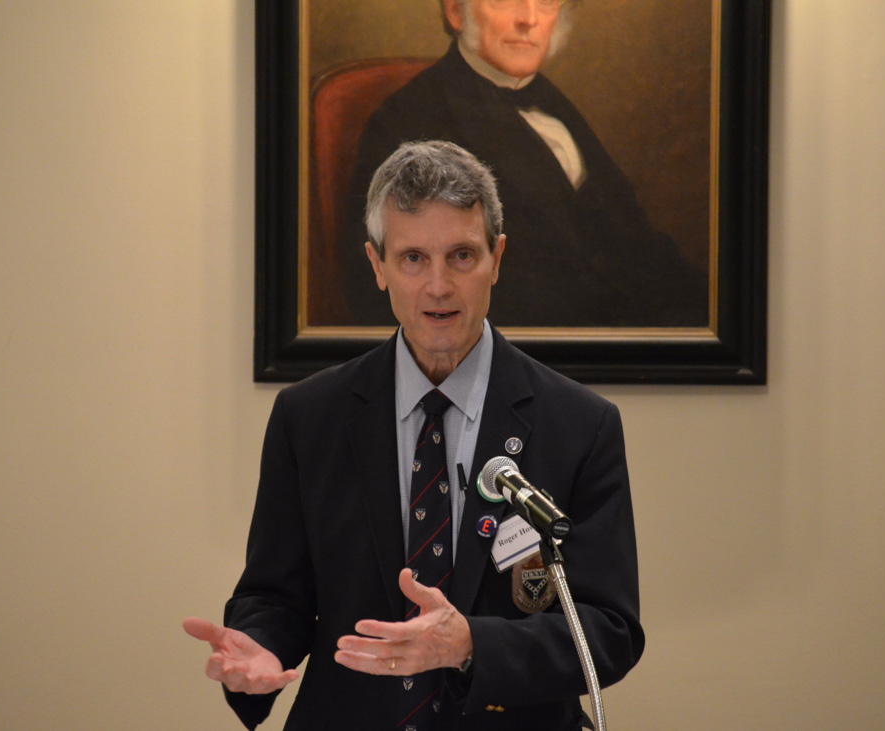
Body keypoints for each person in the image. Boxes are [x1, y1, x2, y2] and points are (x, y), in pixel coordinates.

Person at [185, 141, 643, 730]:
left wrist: (469, 643)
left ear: (496, 259)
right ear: (377, 265)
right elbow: (275, 594)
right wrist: (261, 646)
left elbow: (609, 630)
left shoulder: (580, 425)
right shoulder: (309, 417)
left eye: (461, 256)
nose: (438, 287)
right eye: (413, 259)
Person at [338, 0, 708, 328]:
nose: (528, 19)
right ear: (456, 11)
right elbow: (384, 287)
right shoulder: (409, 118)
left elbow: (635, 243)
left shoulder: (554, 103)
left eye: (546, 2)